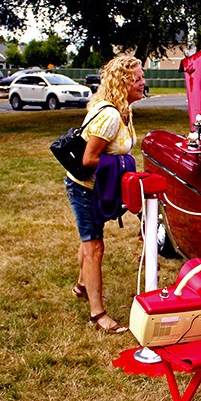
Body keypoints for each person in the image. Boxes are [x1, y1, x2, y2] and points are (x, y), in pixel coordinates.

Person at [65, 55, 146, 334]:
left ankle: (80, 285)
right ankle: (98, 314)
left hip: (98, 186)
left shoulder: (124, 110)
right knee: (94, 247)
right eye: (137, 79)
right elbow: (88, 159)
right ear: (122, 83)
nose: (143, 82)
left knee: (91, 237)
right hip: (84, 187)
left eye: (142, 77)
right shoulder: (111, 115)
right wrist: (123, 164)